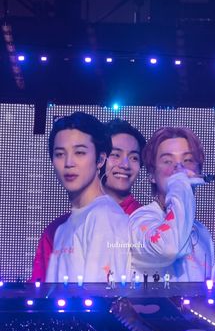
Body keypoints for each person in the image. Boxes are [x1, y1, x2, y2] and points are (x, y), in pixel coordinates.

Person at [31, 118, 145, 282]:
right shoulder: (61, 229)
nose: (69, 163)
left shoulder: (109, 217)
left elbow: (100, 298)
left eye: (80, 152)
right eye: (60, 154)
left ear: (99, 160)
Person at [129, 127, 215, 282]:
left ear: (197, 170)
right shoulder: (141, 220)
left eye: (187, 160)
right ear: (152, 175)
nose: (179, 168)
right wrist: (179, 182)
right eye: (168, 161)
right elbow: (168, 248)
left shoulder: (202, 233)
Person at [102, 118, 146, 214]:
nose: (125, 165)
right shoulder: (70, 223)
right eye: (116, 155)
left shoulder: (148, 221)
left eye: (134, 158)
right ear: (99, 160)